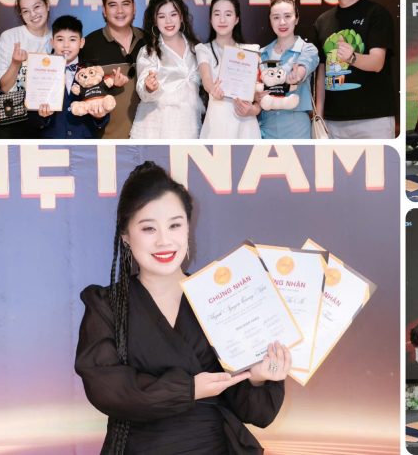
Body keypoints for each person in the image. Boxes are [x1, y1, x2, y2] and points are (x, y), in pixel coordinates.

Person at [75, 161, 291, 454]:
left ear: (188, 227)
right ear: (126, 236)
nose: (164, 241)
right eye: (148, 228)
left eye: (175, 225)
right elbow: (107, 388)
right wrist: (189, 389)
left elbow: (257, 414)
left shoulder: (223, 297)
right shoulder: (106, 305)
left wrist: (258, 378)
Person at [314, 0, 396, 139]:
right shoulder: (322, 21)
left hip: (372, 120)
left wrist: (351, 57)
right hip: (333, 123)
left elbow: (377, 63)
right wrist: (319, 115)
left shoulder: (376, 14)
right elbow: (322, 72)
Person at [28, 15, 124, 138]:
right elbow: (32, 118)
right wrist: (42, 117)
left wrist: (99, 116)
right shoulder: (40, 71)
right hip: (52, 143)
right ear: (52, 42)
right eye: (60, 39)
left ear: (81, 42)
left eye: (72, 39)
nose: (66, 45)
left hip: (84, 143)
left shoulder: (92, 71)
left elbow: (101, 109)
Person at [131, 0, 203, 139]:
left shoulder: (196, 48)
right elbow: (142, 88)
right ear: (154, 21)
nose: (168, 21)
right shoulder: (149, 52)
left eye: (173, 14)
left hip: (190, 125)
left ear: (181, 17)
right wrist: (149, 87)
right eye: (162, 16)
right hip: (156, 129)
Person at [80, 0, 146, 139]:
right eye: (112, 5)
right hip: (107, 141)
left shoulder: (150, 41)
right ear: (104, 10)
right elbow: (82, 95)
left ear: (134, 7)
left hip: (149, 137)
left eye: (125, 4)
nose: (120, 11)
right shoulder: (89, 45)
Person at [0, 0, 54, 139]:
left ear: (47, 5)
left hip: (47, 119)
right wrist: (15, 63)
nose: (33, 14)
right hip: (12, 119)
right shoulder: (10, 37)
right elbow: (4, 87)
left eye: (37, 7)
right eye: (25, 11)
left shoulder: (58, 39)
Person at [196, 0, 262, 139]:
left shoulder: (250, 51)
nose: (222, 19)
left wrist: (252, 110)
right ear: (210, 19)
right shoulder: (204, 49)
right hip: (217, 123)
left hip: (245, 124)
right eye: (217, 14)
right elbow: (206, 79)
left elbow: (258, 97)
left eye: (228, 14)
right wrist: (213, 89)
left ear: (237, 19)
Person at [259, 0, 320, 139]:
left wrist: (297, 75)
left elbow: (303, 67)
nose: (282, 22)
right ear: (270, 20)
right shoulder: (261, 53)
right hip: (266, 126)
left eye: (287, 16)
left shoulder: (307, 49)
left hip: (296, 127)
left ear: (296, 19)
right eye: (276, 17)